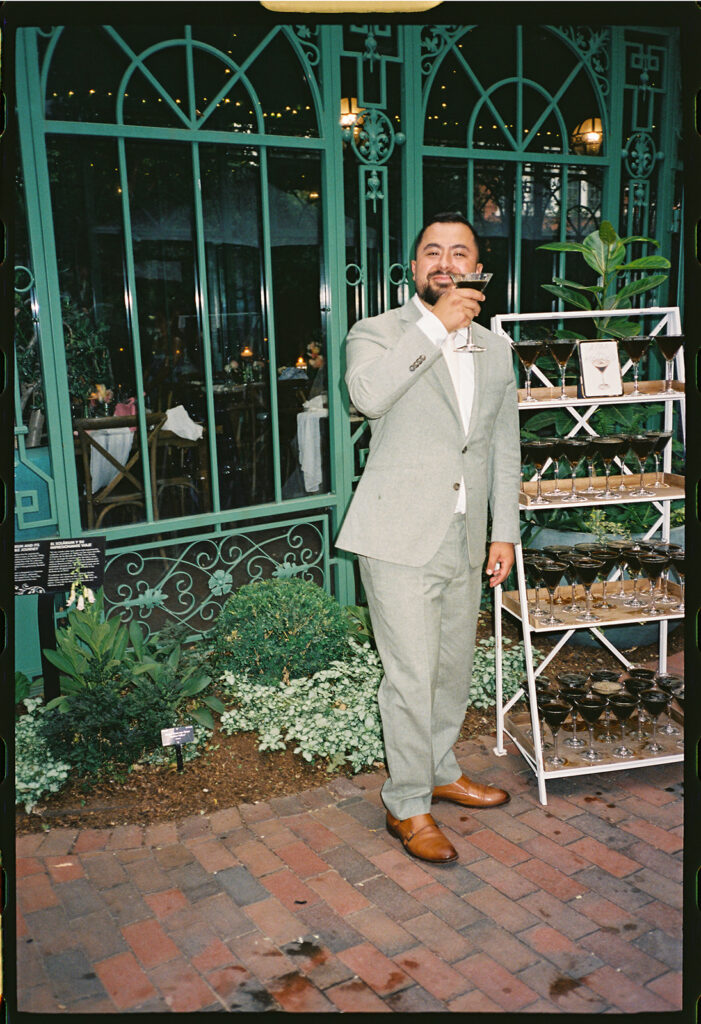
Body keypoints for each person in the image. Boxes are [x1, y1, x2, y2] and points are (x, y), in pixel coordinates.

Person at [335, 212, 521, 864]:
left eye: (459, 252)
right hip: (398, 536)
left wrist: (504, 532)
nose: (445, 262)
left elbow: (501, 446)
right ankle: (407, 804)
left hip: (466, 535)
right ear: (414, 267)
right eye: (432, 252)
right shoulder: (376, 332)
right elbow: (367, 397)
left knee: (450, 670)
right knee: (411, 677)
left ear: (477, 267)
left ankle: (440, 769)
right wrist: (434, 326)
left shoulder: (496, 348)